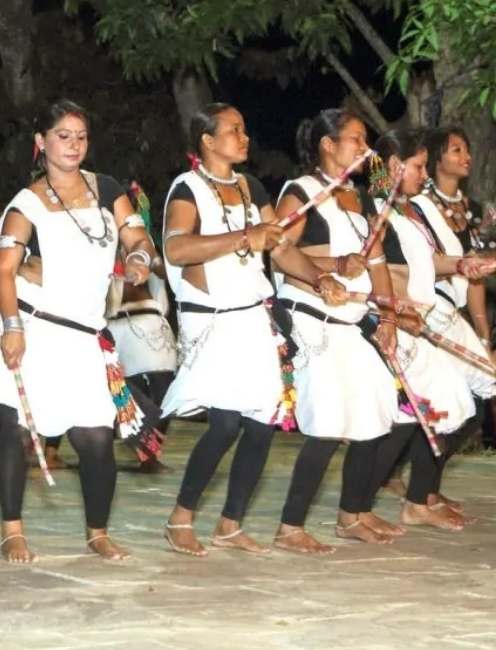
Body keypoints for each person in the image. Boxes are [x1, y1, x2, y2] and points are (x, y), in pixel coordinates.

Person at [0, 99, 161, 562]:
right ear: (41, 142)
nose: (73, 145)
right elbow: (5, 270)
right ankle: (12, 530)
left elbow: (139, 238)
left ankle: (98, 531)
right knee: (16, 430)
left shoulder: (108, 188)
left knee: (96, 439)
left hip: (85, 334)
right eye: (63, 136)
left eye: (81, 136)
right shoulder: (26, 202)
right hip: (36, 327)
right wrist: (12, 328)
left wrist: (138, 259)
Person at [160, 103, 345, 557]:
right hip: (214, 320)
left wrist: (320, 278)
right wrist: (246, 237)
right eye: (234, 130)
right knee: (224, 423)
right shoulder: (186, 189)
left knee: (263, 423)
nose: (244, 137)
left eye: (244, 129)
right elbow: (178, 247)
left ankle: (230, 523)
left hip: (254, 317)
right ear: (207, 139)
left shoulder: (252, 187)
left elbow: (279, 250)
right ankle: (180, 517)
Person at [268, 109, 403, 554]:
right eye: (356, 139)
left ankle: (352, 514)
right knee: (327, 419)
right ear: (328, 144)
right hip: (311, 315)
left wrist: (387, 318)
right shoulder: (301, 192)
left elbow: (377, 263)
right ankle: (290, 526)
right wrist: (329, 271)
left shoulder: (360, 198)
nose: (366, 149)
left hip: (353, 318)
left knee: (376, 405)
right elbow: (278, 252)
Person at [369, 128, 495, 532]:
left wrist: (460, 266)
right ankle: (384, 497)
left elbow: (428, 262)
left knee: (451, 406)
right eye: (419, 166)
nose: (423, 175)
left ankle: (413, 495)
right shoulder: (376, 211)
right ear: (394, 166)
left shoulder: (408, 210)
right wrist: (400, 310)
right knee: (432, 410)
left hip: (429, 315)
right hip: (407, 321)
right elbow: (382, 271)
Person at [106, 182, 177, 473]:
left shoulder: (145, 246)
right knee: (122, 392)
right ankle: (138, 444)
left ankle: (148, 451)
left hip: (149, 326)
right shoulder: (104, 243)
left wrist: (141, 252)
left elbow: (161, 269)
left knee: (164, 394)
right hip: (114, 326)